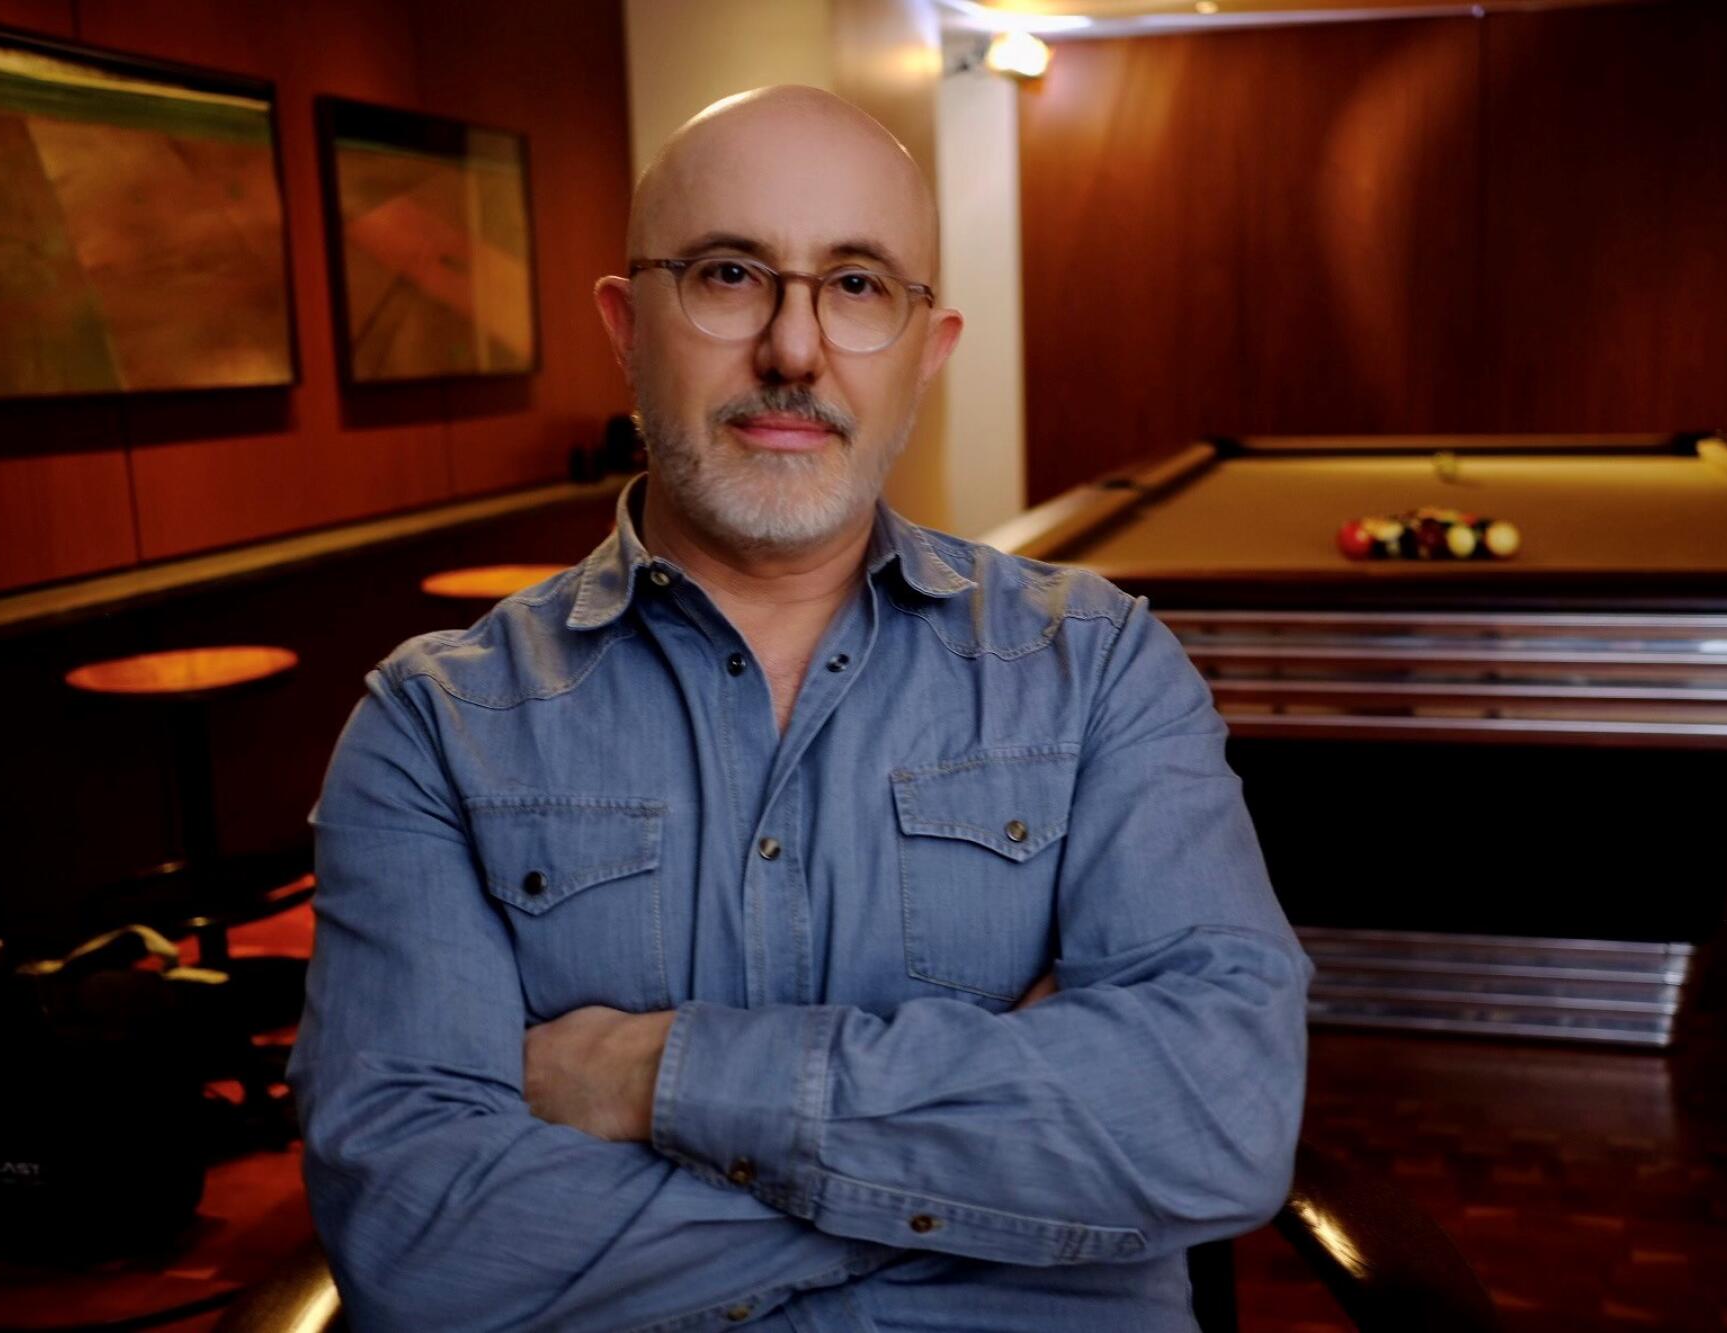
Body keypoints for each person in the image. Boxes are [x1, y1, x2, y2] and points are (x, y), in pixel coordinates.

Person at [290, 85, 1310, 1332]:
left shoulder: (1096, 668)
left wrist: (652, 1075)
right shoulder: (429, 732)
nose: (792, 348)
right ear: (626, 325)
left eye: (859, 285)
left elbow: (1213, 1120)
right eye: (728, 273)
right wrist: (990, 1191)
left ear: (928, 348)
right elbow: (426, 1246)